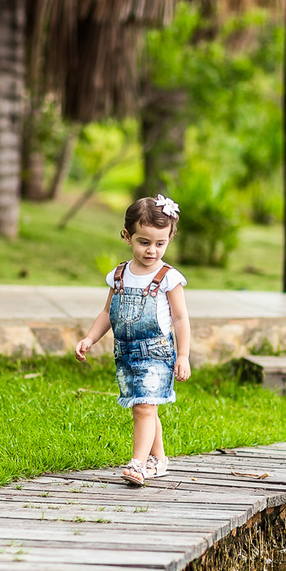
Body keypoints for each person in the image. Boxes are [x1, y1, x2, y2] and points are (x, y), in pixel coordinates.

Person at [75, 194, 191, 485]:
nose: (152, 250)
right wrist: (90, 338)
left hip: (157, 352)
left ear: (169, 238)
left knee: (144, 407)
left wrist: (184, 355)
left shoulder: (168, 277)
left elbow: (181, 319)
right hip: (126, 352)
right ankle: (158, 459)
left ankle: (138, 463)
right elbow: (107, 313)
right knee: (145, 404)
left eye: (160, 243)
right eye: (144, 242)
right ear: (127, 236)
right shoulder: (119, 275)